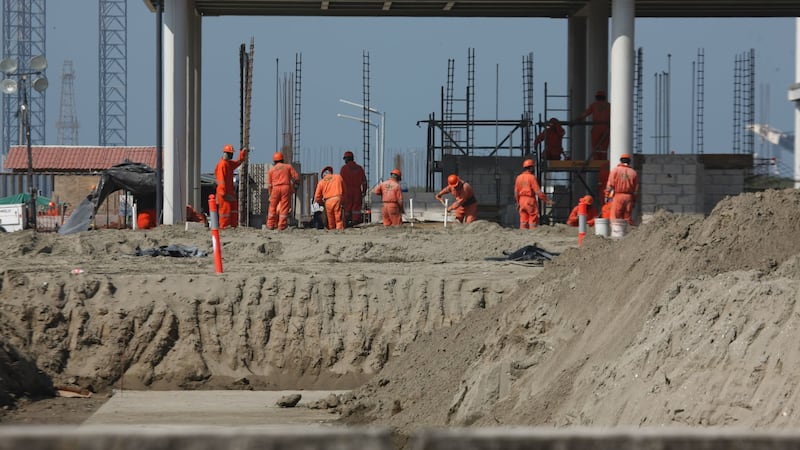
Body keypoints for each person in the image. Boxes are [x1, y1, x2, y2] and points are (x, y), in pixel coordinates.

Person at [214, 144, 248, 229]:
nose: (231, 155)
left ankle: (233, 226)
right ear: (225, 153)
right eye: (230, 154)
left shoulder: (228, 164)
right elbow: (221, 181)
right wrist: (223, 193)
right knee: (225, 212)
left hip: (229, 192)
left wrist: (242, 153)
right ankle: (224, 227)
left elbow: (238, 163)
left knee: (233, 210)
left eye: (232, 154)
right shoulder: (222, 165)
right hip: (224, 194)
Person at [514, 158, 553, 229]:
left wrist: (517, 202)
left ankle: (523, 234)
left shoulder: (518, 177)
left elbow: (516, 192)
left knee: (523, 220)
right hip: (530, 200)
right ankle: (533, 233)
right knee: (533, 219)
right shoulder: (532, 178)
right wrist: (547, 200)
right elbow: (538, 192)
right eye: (533, 167)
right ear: (531, 168)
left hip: (521, 201)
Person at [266, 152, 300, 231]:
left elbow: (269, 185)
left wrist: (270, 194)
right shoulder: (288, 167)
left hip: (275, 188)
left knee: (272, 207)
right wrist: (296, 184)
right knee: (284, 207)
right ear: (282, 160)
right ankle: (281, 226)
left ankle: (270, 225)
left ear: (274, 161)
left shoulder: (271, 170)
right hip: (285, 187)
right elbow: (296, 177)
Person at [605, 153, 639, 225]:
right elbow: (636, 189)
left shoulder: (615, 170)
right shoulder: (633, 172)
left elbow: (610, 185)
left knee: (616, 217)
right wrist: (634, 200)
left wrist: (607, 195)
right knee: (627, 217)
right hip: (629, 197)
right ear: (629, 161)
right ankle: (628, 234)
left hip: (618, 196)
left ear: (620, 161)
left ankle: (616, 234)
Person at [577, 90, 611, 160]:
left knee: (595, 146)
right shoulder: (609, 106)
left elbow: (585, 114)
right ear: (604, 97)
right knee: (604, 147)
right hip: (606, 128)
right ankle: (603, 160)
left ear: (596, 97)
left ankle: (596, 160)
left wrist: (578, 119)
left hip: (597, 128)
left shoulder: (594, 105)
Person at [340, 150, 368, 226]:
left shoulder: (343, 169)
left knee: (347, 208)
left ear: (346, 159)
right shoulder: (359, 168)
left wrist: (341, 193)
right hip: (357, 192)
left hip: (347, 192)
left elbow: (340, 182)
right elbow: (364, 182)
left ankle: (346, 222)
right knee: (356, 208)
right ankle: (355, 222)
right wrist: (364, 191)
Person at [314, 166, 346, 230]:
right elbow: (344, 190)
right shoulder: (338, 177)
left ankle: (332, 231)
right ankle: (339, 230)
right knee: (338, 217)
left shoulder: (321, 182)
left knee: (330, 219)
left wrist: (322, 203)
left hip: (328, 201)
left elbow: (317, 197)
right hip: (337, 199)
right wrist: (343, 200)